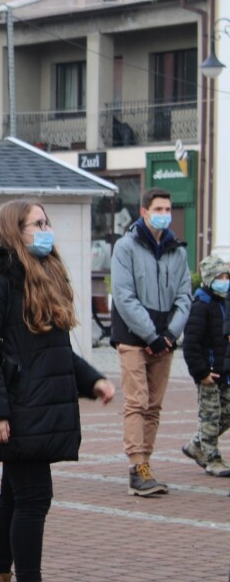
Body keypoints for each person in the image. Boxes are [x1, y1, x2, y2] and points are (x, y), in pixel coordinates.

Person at [0, 200, 114, 582]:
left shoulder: (43, 277)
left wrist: (93, 380)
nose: (46, 230)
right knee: (33, 498)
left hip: (34, 411)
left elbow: (56, 352)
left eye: (47, 222)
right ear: (15, 230)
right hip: (16, 412)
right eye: (38, 223)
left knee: (13, 498)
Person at [110, 187, 191, 496]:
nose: (164, 215)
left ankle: (147, 465)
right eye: (158, 209)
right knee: (137, 401)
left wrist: (170, 334)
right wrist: (151, 336)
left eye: (167, 209)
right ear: (144, 212)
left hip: (165, 339)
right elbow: (124, 296)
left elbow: (184, 296)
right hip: (133, 337)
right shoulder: (125, 247)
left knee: (154, 405)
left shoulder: (177, 251)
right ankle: (137, 466)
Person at [181, 255, 230, 477]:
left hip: (225, 371)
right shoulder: (201, 305)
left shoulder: (225, 302)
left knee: (226, 414)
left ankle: (196, 444)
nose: (224, 280)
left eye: (227, 276)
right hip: (208, 373)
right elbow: (191, 344)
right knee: (210, 417)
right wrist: (201, 372)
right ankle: (212, 459)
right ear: (209, 278)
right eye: (220, 276)